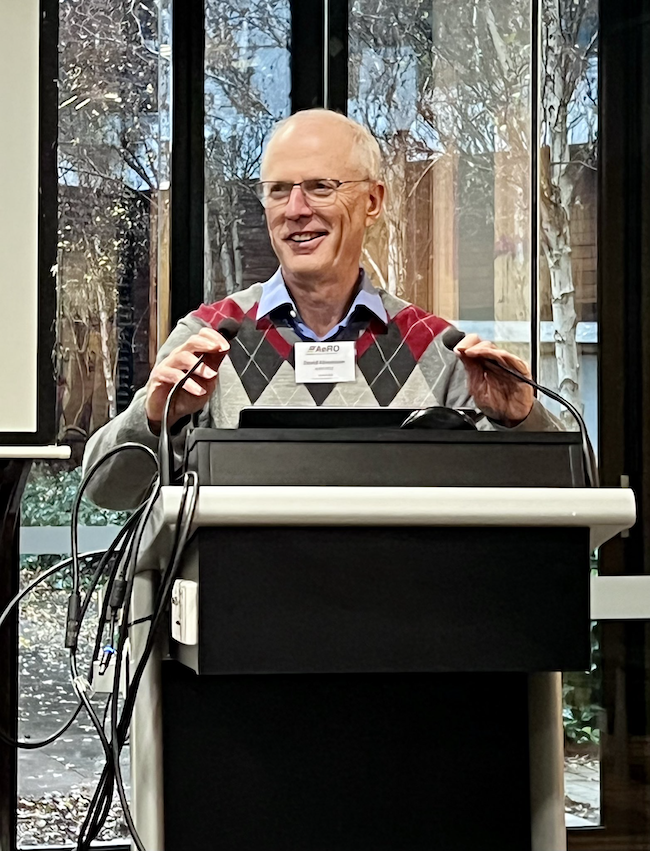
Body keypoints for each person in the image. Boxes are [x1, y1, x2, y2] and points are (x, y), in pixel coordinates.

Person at [84, 108, 559, 509]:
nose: (295, 209)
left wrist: (521, 420)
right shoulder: (210, 339)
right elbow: (107, 491)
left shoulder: (440, 350)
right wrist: (154, 420)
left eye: (320, 187)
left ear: (372, 200)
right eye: (278, 190)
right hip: (236, 613)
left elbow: (567, 502)